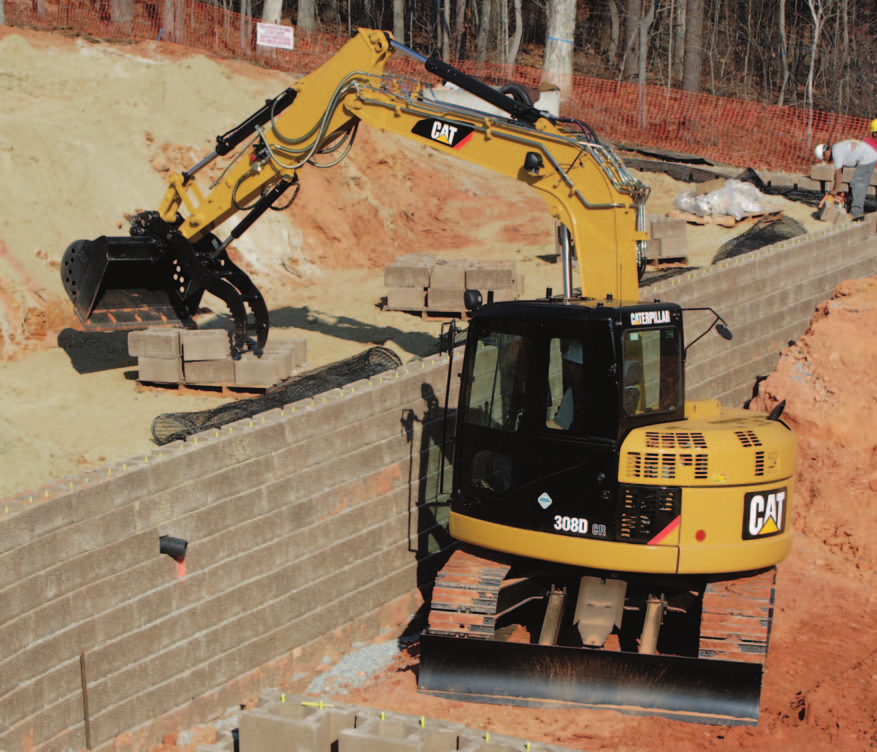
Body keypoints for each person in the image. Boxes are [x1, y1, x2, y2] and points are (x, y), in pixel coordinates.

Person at [814, 135, 877, 219]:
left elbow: (838, 173)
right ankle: (851, 203)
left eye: (824, 158)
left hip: (868, 157)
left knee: (857, 183)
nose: (826, 160)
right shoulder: (838, 148)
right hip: (867, 155)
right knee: (855, 182)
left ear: (826, 152)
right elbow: (840, 173)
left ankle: (856, 212)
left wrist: (834, 190)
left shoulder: (836, 152)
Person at [547, 341, 585, 431]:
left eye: (568, 363)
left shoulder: (575, 393)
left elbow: (559, 426)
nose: (567, 366)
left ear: (576, 366)